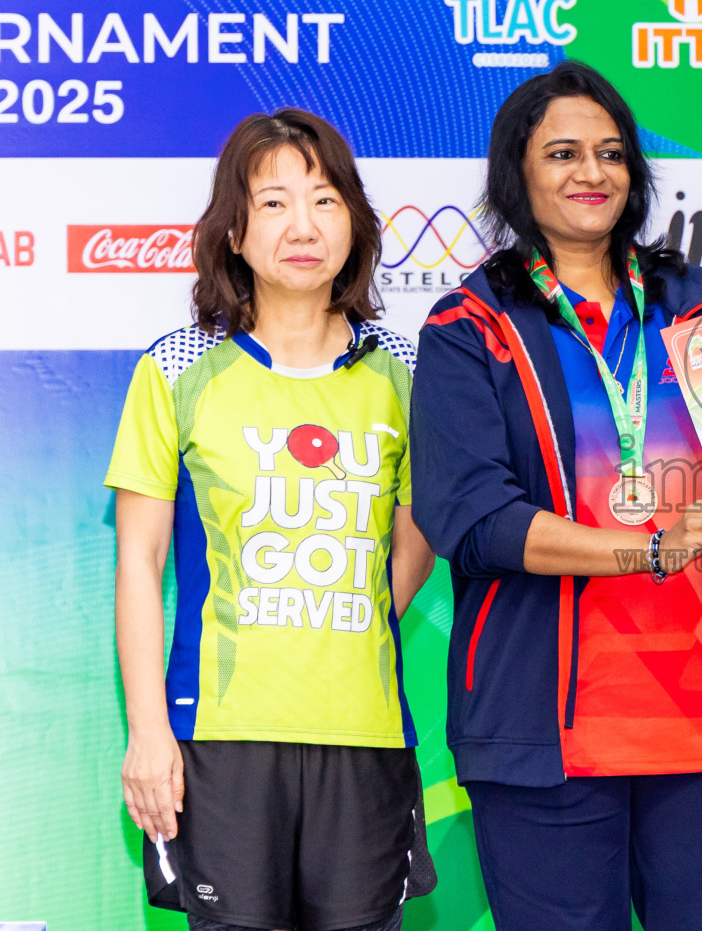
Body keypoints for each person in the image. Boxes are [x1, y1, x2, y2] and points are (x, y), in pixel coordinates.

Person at [409, 60, 702, 931]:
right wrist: (654, 547)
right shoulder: (470, 326)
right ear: (516, 172)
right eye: (562, 153)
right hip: (542, 737)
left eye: (611, 152)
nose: (591, 172)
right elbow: (474, 522)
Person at [108, 108, 437, 931]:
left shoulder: (404, 372)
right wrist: (149, 733)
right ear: (234, 231)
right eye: (275, 203)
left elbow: (417, 542)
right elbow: (140, 562)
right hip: (217, 741)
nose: (303, 226)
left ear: (355, 225)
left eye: (325, 201)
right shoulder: (176, 367)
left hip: (365, 737)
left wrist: (338, 622)